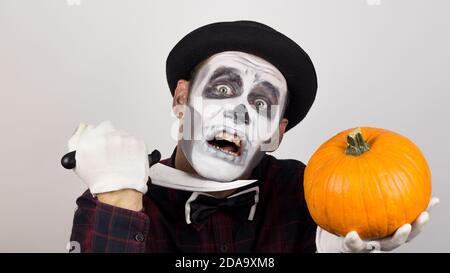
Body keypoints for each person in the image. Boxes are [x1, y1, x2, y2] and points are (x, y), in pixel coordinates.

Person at [67, 21, 438, 253]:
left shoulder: (311, 194)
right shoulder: (115, 194)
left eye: (261, 102)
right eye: (225, 90)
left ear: (276, 134)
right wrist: (118, 200)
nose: (240, 111)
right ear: (181, 100)